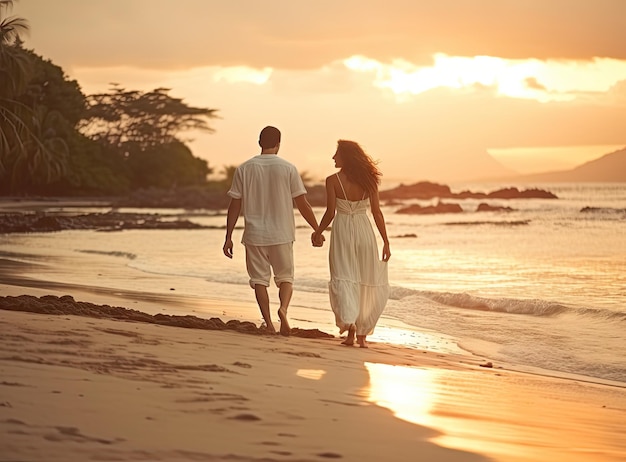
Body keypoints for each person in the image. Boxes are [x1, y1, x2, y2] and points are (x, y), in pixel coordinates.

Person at [223, 126, 321, 336]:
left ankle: (268, 323)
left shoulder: (244, 168)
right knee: (286, 278)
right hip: (282, 234)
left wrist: (228, 237)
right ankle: (283, 309)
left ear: (259, 142)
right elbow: (303, 203)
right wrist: (318, 229)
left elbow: (234, 206)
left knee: (259, 280)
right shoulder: (288, 168)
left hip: (254, 235)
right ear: (278, 144)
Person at [311, 140, 390, 348]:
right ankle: (362, 335)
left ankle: (351, 328)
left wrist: (318, 232)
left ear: (345, 157)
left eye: (336, 154)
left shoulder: (332, 181)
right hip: (365, 232)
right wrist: (386, 241)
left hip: (343, 231)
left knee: (344, 276)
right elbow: (377, 212)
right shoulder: (370, 181)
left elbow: (330, 213)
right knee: (365, 279)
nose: (333, 158)